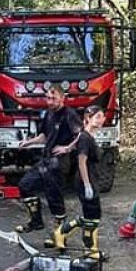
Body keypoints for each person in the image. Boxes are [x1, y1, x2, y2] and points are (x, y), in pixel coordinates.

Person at [15, 86, 83, 239]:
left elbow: (81, 134)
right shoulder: (48, 114)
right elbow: (44, 136)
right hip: (46, 158)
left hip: (60, 161)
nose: (50, 101)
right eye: (48, 98)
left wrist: (67, 148)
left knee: (54, 196)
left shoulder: (69, 114)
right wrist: (28, 142)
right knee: (25, 185)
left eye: (53, 98)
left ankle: (60, 235)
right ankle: (36, 221)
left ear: (62, 98)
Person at [49, 104, 105, 256]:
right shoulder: (86, 138)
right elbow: (81, 161)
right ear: (88, 118)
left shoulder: (84, 135)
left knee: (93, 216)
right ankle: (67, 235)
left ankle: (89, 248)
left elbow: (76, 142)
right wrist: (87, 185)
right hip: (85, 180)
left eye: (102, 116)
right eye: (97, 117)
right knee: (92, 216)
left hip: (92, 178)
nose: (102, 120)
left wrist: (66, 148)